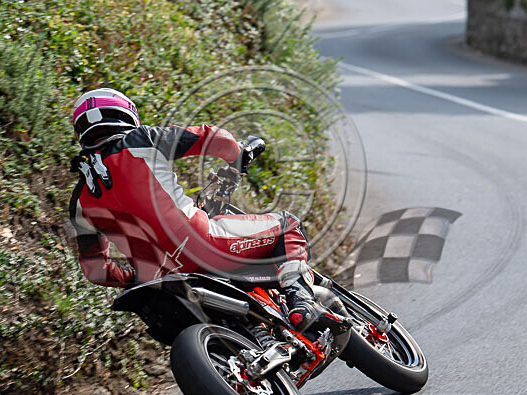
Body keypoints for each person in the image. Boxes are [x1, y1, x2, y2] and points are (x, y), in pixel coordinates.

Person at [68, 88, 347, 333]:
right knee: (287, 224)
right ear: (126, 115)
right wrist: (238, 153)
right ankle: (301, 301)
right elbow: (213, 139)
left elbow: (95, 270)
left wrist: (132, 277)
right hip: (202, 244)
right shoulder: (143, 140)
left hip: (159, 279)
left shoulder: (79, 199)